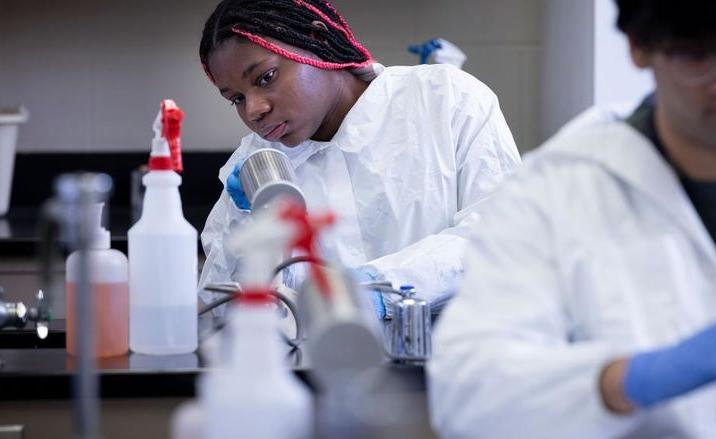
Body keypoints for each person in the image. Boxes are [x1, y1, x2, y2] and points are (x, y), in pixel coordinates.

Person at [428, 0, 716, 437]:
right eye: (697, 55)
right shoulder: (552, 193)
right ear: (639, 48)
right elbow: (467, 397)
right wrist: (620, 382)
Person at [197, 0, 522, 319]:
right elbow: (224, 304)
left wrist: (377, 289)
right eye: (236, 99)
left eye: (266, 77)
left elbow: (496, 236)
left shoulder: (444, 98)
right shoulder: (255, 162)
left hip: (454, 357)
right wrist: (242, 222)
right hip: (319, 366)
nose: (253, 110)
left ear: (317, 39)